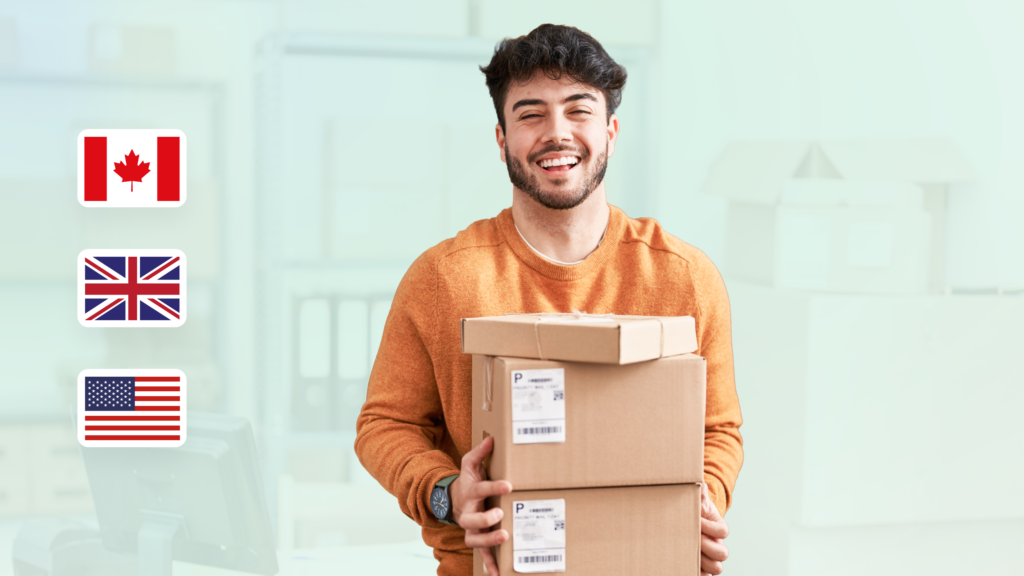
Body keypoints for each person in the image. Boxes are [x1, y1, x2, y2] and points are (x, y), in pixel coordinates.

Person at [355, 23, 743, 576]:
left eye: (578, 110)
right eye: (531, 114)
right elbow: (385, 425)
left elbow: (718, 430)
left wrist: (700, 503)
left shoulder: (684, 278)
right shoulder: (443, 278)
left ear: (610, 131)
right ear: (501, 140)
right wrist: (447, 493)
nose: (557, 133)